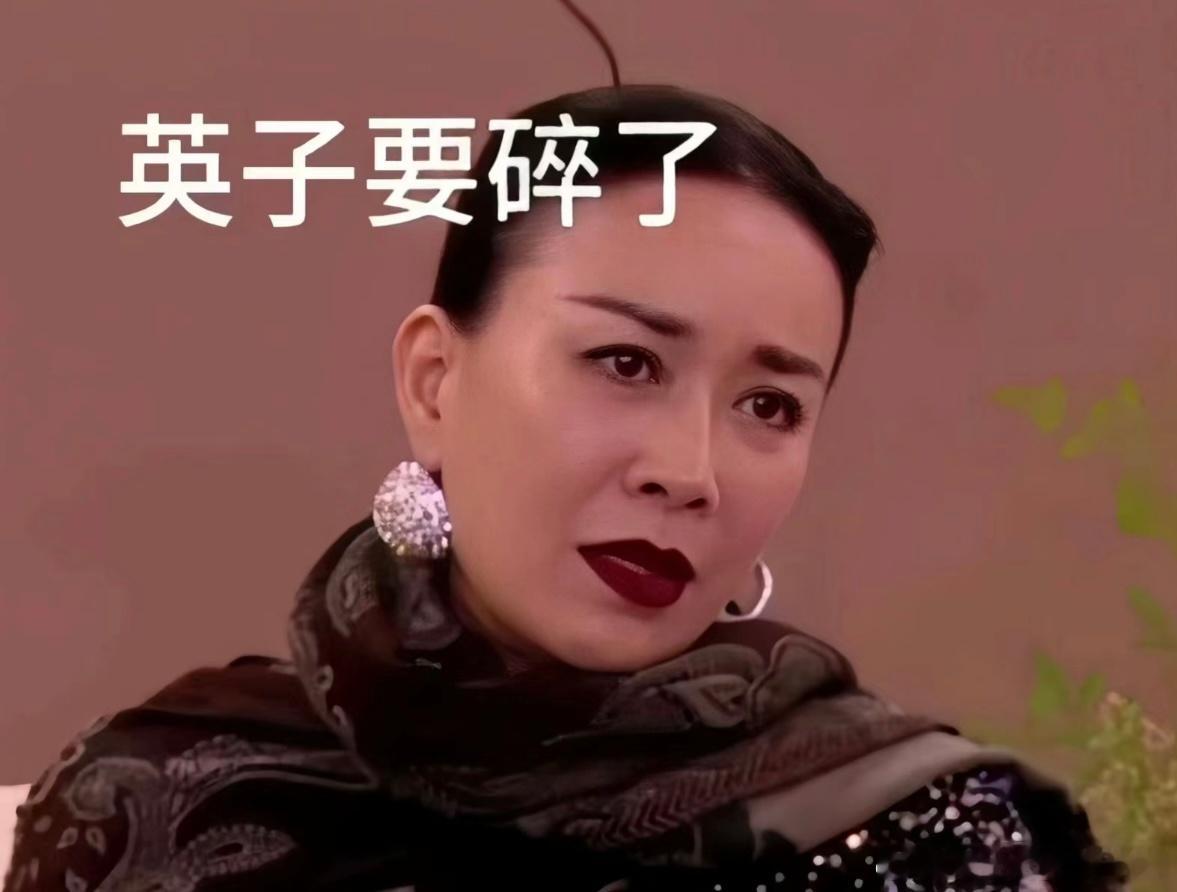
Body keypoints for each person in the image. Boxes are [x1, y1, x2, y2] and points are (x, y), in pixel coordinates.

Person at [2, 84, 1129, 892]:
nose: (688, 471)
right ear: (435, 381)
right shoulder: (144, 798)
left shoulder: (938, 835)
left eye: (769, 405)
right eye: (625, 362)